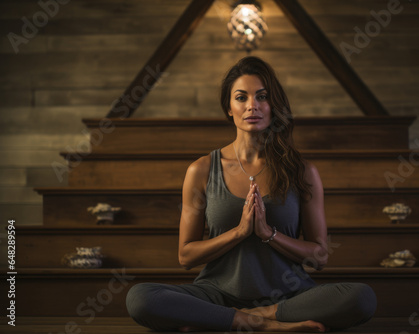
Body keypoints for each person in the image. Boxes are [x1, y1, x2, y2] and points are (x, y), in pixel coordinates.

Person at [126, 56, 376, 332]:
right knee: (140, 298)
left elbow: (319, 257)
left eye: (262, 97)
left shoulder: (302, 172)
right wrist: (239, 232)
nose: (252, 106)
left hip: (288, 296)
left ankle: (254, 316)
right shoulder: (201, 170)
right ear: (229, 108)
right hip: (217, 295)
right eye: (241, 97)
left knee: (362, 298)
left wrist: (268, 234)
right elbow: (186, 256)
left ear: (273, 106)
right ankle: (263, 326)